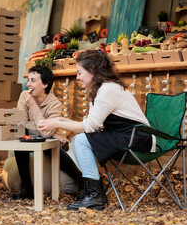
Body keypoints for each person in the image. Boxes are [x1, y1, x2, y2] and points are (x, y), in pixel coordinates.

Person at [37, 50, 156, 210]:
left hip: (138, 138)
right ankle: (93, 194)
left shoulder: (108, 89)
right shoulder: (100, 90)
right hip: (125, 135)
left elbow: (89, 127)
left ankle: (94, 196)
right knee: (81, 139)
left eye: (80, 73)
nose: (77, 77)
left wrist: (56, 124)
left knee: (80, 140)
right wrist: (57, 121)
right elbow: (91, 124)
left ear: (93, 71)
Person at [12, 65, 83, 200]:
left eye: (33, 80)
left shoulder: (55, 104)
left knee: (50, 143)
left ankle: (80, 179)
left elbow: (45, 134)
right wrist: (48, 132)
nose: (28, 84)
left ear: (45, 84)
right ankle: (27, 187)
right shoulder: (24, 96)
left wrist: (33, 106)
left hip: (56, 144)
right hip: (36, 139)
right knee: (21, 140)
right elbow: (19, 124)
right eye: (28, 80)